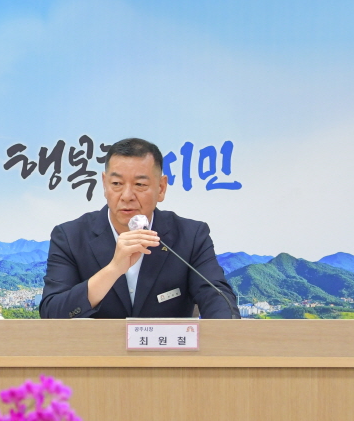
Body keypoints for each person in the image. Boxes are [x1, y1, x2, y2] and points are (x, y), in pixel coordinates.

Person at [40, 137, 237, 320]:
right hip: (95, 347)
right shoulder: (70, 237)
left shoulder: (191, 236)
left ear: (161, 188)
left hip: (165, 347)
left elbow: (219, 300)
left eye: (140, 184)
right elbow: (52, 313)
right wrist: (113, 270)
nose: (127, 196)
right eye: (116, 183)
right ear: (105, 185)